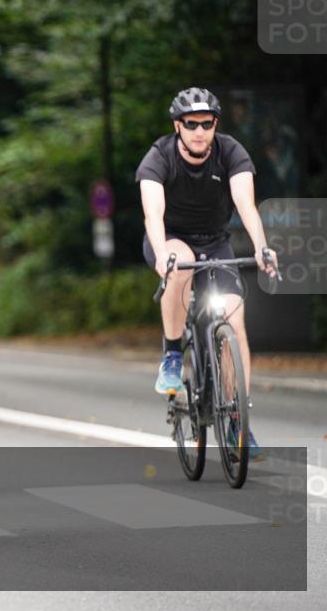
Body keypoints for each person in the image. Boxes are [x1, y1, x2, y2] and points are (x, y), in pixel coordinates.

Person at [136, 87, 278, 459]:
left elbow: (246, 204)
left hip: (215, 242)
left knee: (234, 316)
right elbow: (152, 213)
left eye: (207, 123)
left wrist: (262, 246)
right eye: (191, 124)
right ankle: (171, 354)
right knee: (180, 265)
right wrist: (163, 252)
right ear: (178, 126)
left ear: (216, 124)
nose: (199, 131)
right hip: (171, 238)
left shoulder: (230, 151)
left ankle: (236, 419)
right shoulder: (159, 155)